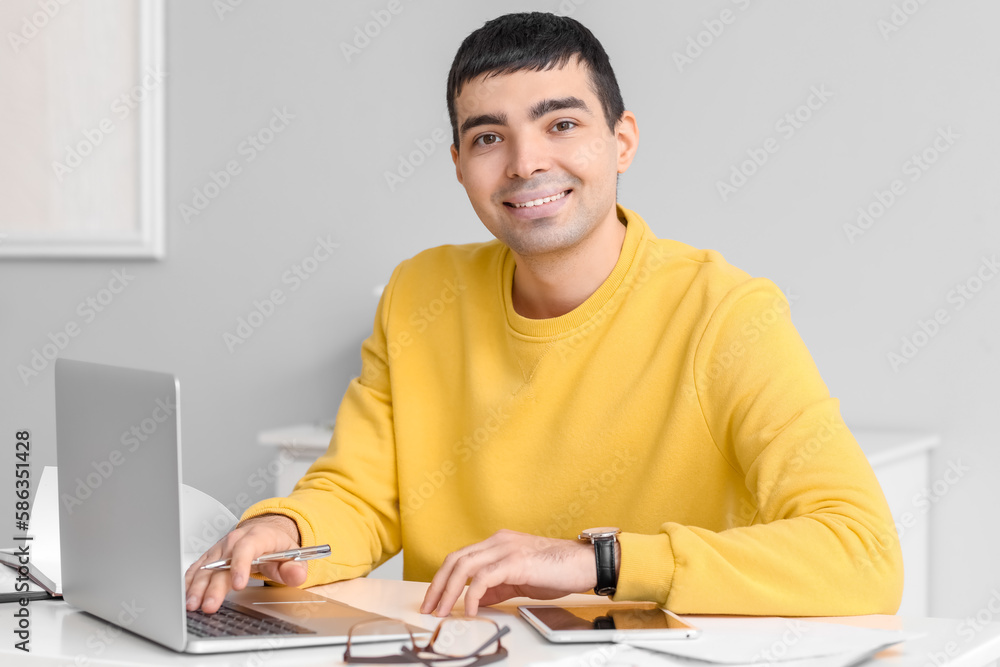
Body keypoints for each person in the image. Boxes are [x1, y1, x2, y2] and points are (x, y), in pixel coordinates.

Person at [185, 11, 903, 619]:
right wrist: (287, 525)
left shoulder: (725, 311)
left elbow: (863, 553)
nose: (526, 162)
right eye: (489, 137)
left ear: (621, 141)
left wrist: (598, 561)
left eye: (560, 123)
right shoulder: (420, 291)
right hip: (462, 652)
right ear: (461, 164)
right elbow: (360, 496)